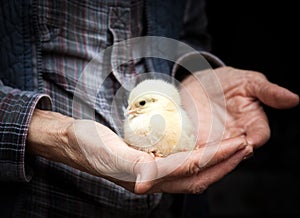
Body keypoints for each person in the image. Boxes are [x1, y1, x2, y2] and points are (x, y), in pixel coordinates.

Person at [0, 0, 298, 217]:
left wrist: (194, 74)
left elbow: (190, 30)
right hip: (37, 201)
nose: (130, 111)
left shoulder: (166, 114)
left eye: (138, 105)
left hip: (170, 209)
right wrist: (49, 133)